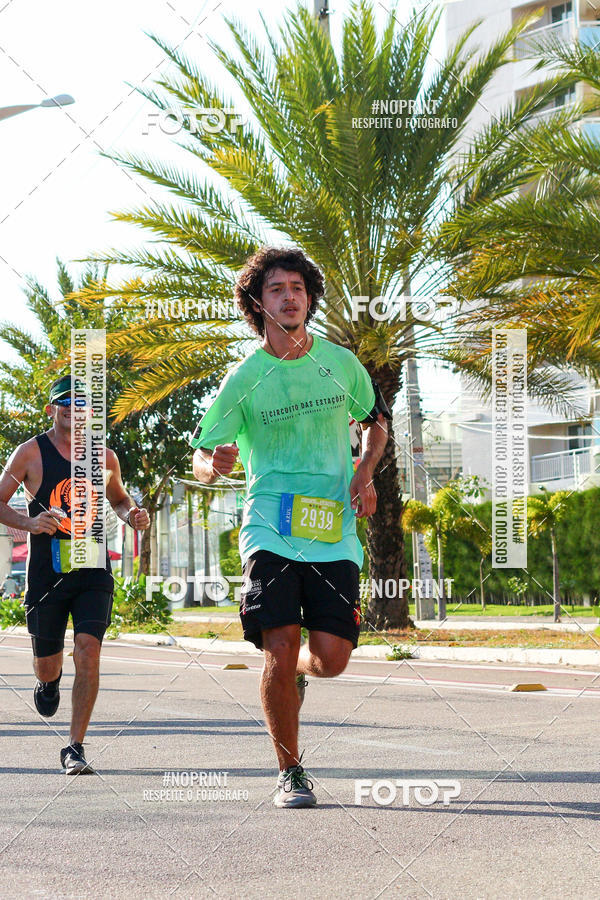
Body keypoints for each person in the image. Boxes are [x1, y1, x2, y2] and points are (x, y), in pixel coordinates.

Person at [192, 247, 390, 808]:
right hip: (269, 525)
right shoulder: (246, 377)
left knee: (331, 658)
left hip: (334, 528)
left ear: (309, 297)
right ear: (259, 302)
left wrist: (364, 467)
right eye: (277, 289)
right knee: (278, 645)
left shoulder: (339, 363)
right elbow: (202, 455)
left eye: (297, 288)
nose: (289, 297)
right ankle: (290, 770)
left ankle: (301, 669)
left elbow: (374, 423)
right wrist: (215, 464)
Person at [0, 374, 150, 774]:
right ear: (51, 410)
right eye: (65, 401)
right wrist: (29, 524)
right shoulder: (29, 454)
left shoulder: (104, 456)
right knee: (47, 663)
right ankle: (48, 682)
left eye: (81, 403)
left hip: (92, 565)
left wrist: (131, 515)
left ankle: (75, 746)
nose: (73, 408)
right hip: (46, 572)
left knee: (89, 650)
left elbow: (119, 500)